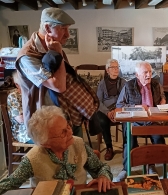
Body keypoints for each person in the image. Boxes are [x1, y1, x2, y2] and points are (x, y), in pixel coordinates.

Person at [15, 7, 99, 138]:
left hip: (69, 115)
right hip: (46, 123)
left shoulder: (55, 46)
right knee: (57, 157)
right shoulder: (27, 56)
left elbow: (66, 79)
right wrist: (57, 53)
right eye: (63, 29)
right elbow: (59, 86)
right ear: (48, 28)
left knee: (76, 154)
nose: (67, 34)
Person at [0, 106, 114, 195]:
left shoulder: (78, 144)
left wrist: (103, 177)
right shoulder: (33, 159)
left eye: (68, 126)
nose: (70, 132)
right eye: (63, 132)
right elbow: (8, 185)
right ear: (45, 143)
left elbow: (100, 168)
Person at [115, 61, 166, 182]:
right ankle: (126, 169)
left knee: (158, 137)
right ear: (137, 75)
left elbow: (162, 96)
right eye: (145, 72)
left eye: (150, 72)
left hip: (152, 119)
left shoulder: (156, 84)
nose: (149, 75)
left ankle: (151, 165)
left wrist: (163, 101)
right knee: (130, 139)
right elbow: (119, 105)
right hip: (135, 120)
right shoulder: (128, 86)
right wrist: (136, 107)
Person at [96, 59, 126, 161]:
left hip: (119, 107)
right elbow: (99, 101)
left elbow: (125, 98)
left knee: (127, 120)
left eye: (117, 67)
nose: (116, 69)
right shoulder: (102, 84)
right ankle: (109, 147)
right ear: (107, 70)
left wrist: (117, 110)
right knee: (102, 120)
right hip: (106, 109)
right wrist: (108, 112)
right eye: (113, 67)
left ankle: (126, 147)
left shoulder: (123, 82)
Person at [6, 72, 33, 144]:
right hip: (23, 132)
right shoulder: (13, 96)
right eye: (25, 83)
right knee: (47, 140)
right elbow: (21, 120)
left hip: (36, 129)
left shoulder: (32, 94)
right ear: (17, 85)